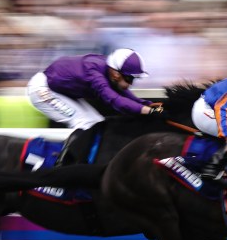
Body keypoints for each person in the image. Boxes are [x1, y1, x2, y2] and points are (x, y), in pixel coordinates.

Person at [27, 49, 164, 165]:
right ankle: (61, 166)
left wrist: (148, 105)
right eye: (129, 78)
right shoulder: (95, 74)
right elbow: (116, 101)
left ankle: (83, 162)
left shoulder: (109, 71)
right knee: (85, 123)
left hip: (59, 90)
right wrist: (148, 110)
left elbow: (126, 95)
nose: (131, 83)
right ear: (116, 74)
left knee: (97, 123)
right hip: (43, 90)